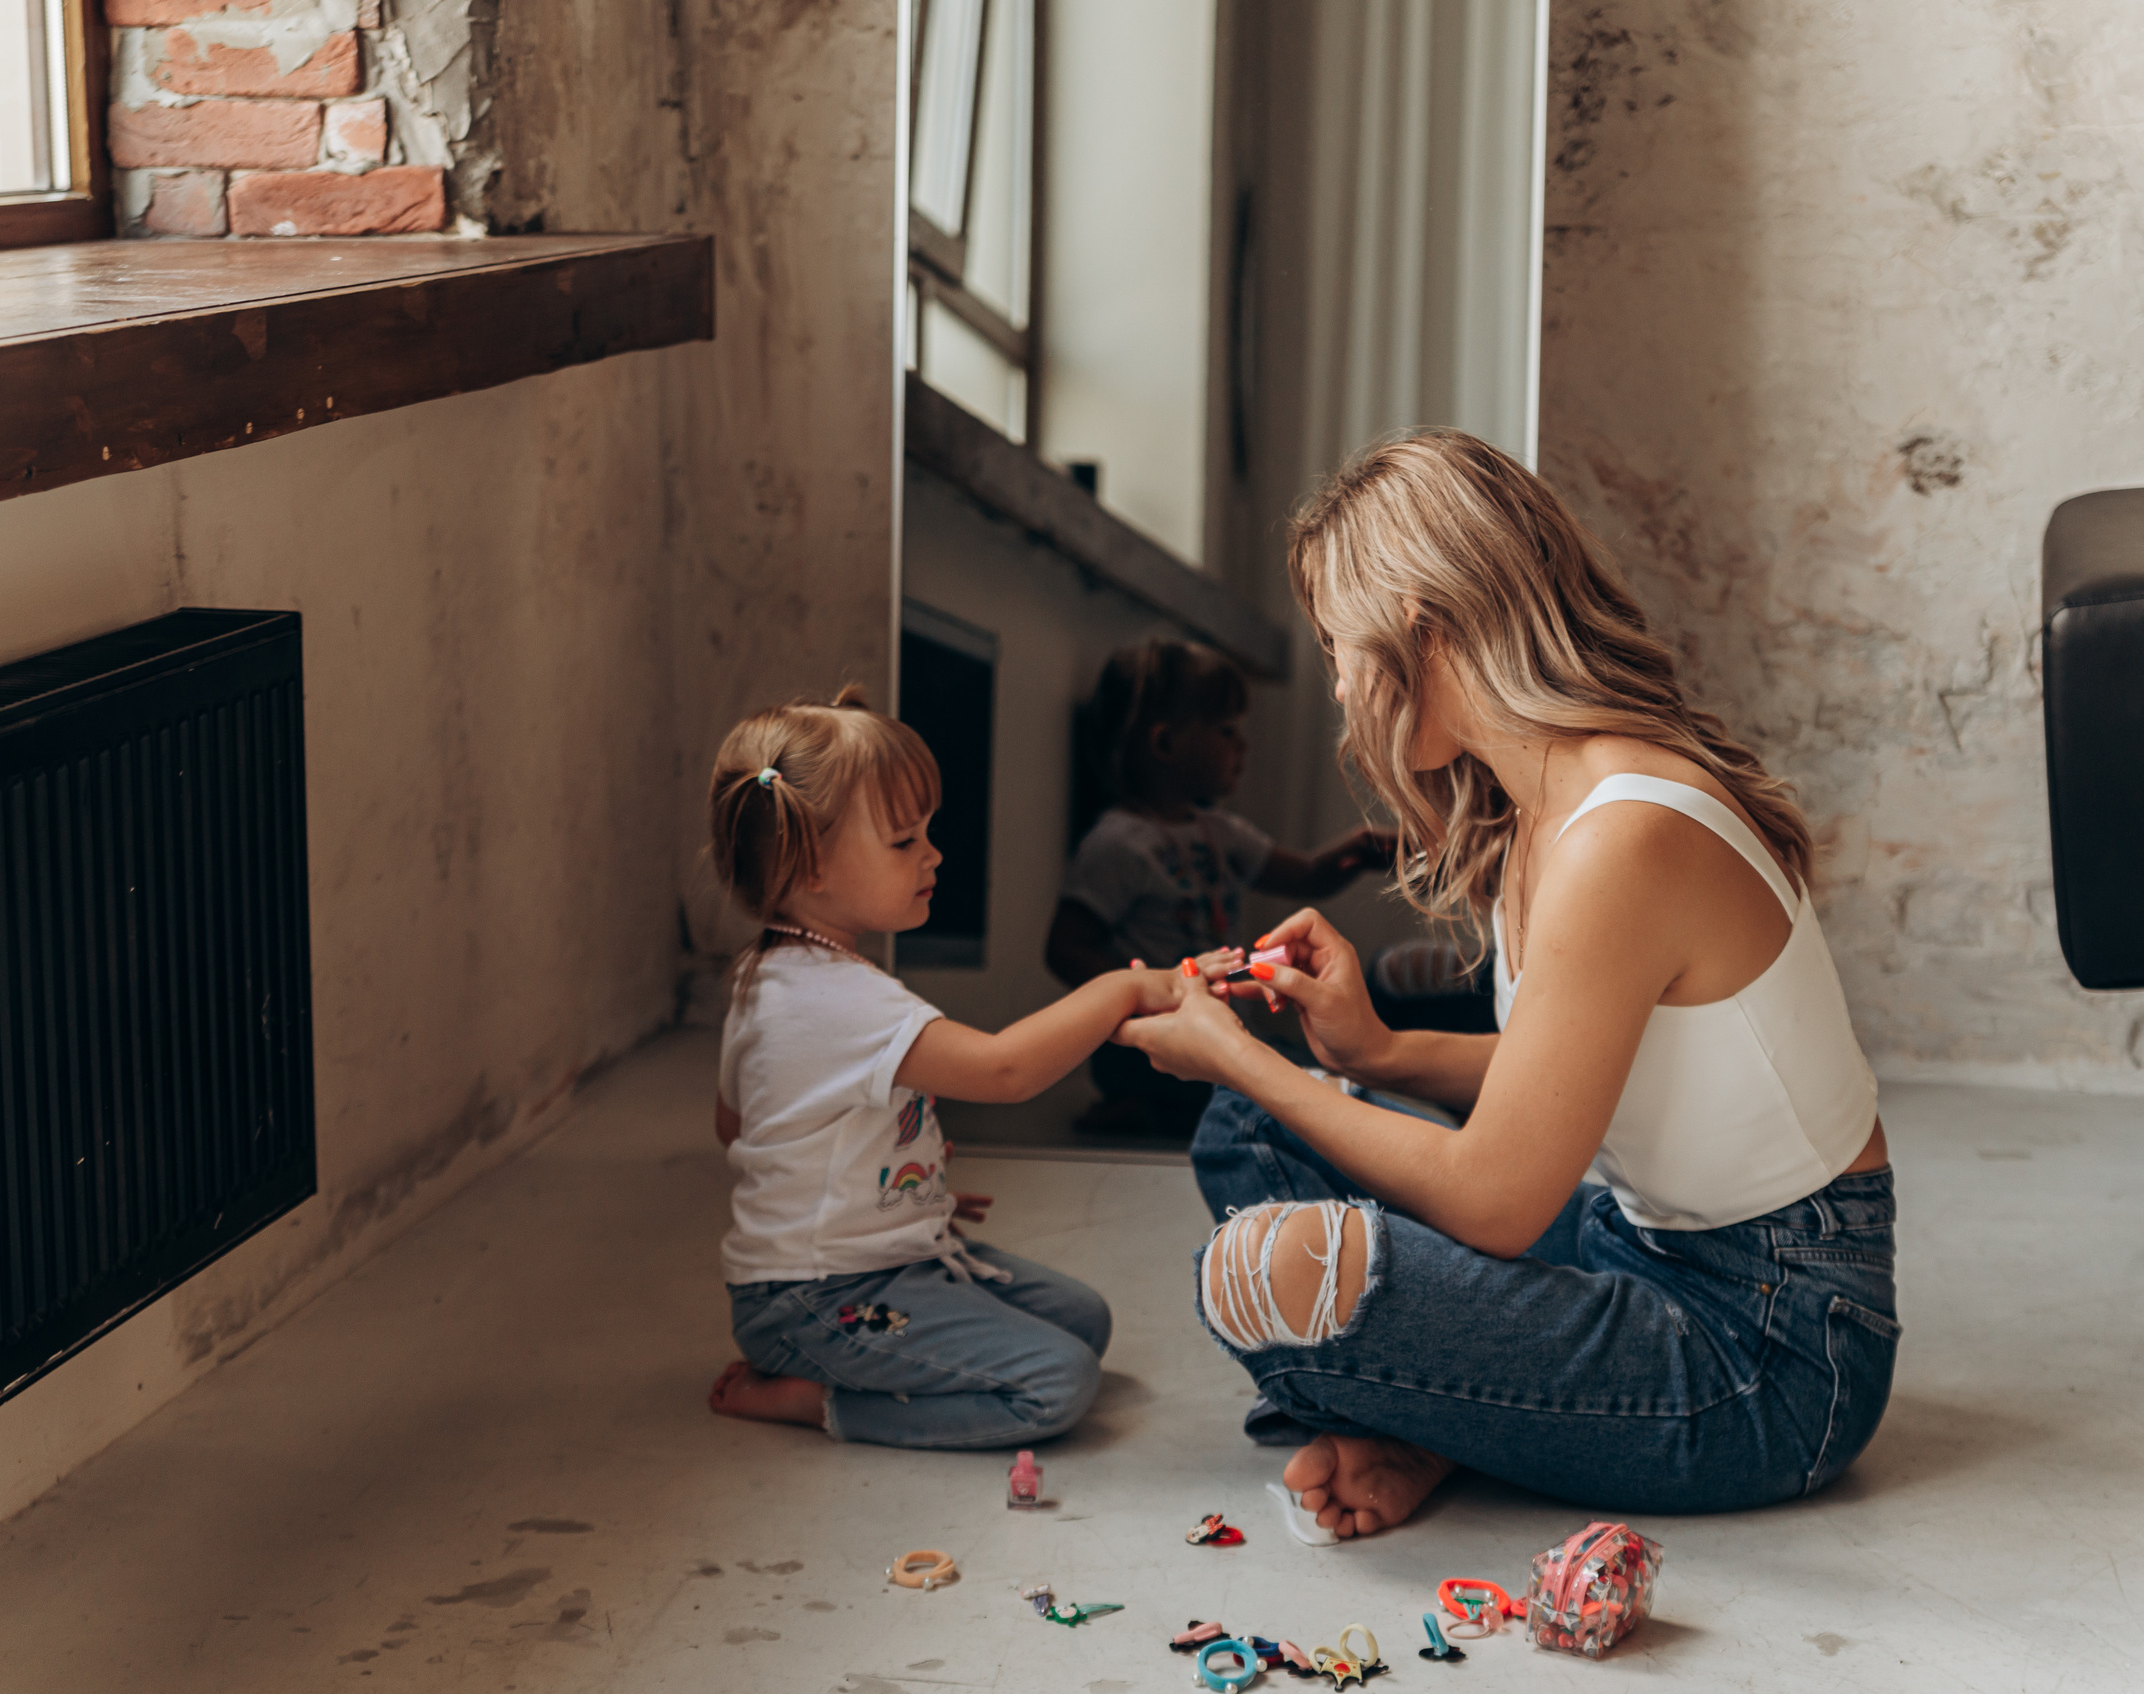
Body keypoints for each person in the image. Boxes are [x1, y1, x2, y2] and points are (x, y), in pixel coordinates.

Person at [1114, 430, 1897, 1532]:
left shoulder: (1622, 832)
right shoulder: (1540, 805)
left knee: (1266, 1266)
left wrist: (1236, 1048)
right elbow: (1578, 1071)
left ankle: (1443, 1415)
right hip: (1639, 1242)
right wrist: (1369, 1047)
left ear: (1423, 631)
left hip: (1770, 1348)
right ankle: (1461, 1416)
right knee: (1246, 1137)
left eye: (1342, 644)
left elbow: (1495, 1197)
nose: (1338, 683)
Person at [705, 686, 1189, 1447]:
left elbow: (736, 1120)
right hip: (817, 1297)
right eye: (904, 842)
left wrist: (880, 1188)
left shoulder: (766, 973)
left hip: (878, 1257)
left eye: (924, 833)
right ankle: (813, 1401)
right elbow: (1005, 1072)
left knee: (1084, 1319)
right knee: (1059, 1381)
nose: (932, 854)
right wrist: (1122, 985)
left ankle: (844, 1353)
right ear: (811, 864)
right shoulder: (843, 999)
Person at [1046, 639, 1391, 1133]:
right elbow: (1064, 947)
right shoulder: (1119, 844)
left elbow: (1306, 876)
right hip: (1157, 1035)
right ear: (1166, 744)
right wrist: (1144, 991)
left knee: (1292, 1068)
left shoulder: (1221, 833)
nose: (1242, 746)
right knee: (1249, 1089)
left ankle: (1164, 1108)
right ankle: (1139, 1104)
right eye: (1227, 731)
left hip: (1216, 1024)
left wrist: (1359, 851)